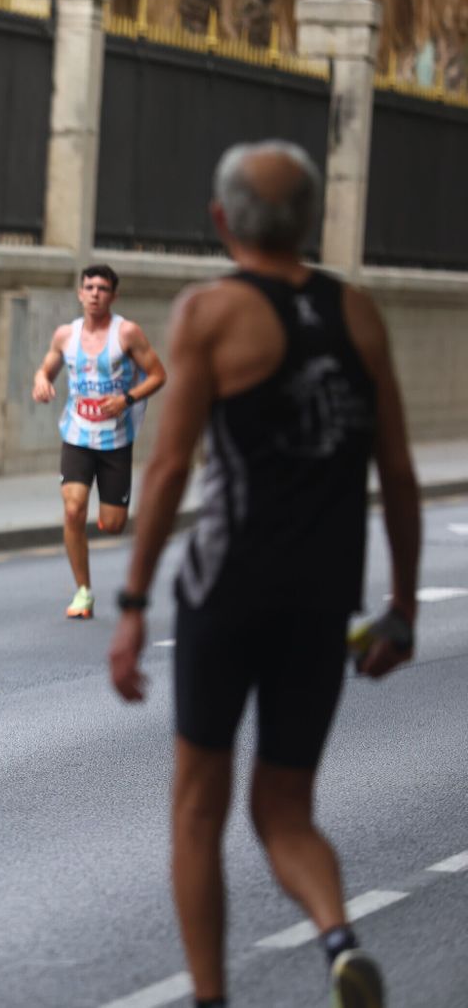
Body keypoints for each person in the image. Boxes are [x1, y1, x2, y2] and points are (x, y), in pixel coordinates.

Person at [107, 141, 421, 1008]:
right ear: (311, 222)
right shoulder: (359, 314)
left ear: (221, 221)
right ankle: (338, 938)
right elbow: (396, 471)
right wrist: (399, 605)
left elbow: (169, 470)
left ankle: (211, 999)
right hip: (322, 601)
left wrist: (131, 604)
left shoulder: (210, 312)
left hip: (229, 591)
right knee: (286, 810)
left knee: (198, 811)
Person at [32, 264, 167, 619]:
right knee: (73, 508)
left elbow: (158, 374)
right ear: (80, 293)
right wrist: (41, 379)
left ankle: (109, 515)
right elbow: (47, 366)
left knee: (113, 524)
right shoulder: (66, 335)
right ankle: (83, 592)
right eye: (89, 287)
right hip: (77, 435)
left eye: (102, 288)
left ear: (113, 295)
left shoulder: (127, 334)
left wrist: (128, 398)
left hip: (116, 440)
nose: (95, 294)